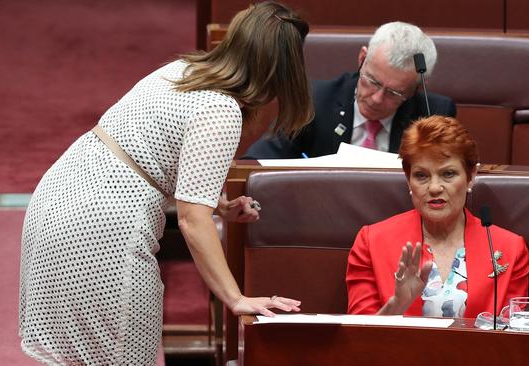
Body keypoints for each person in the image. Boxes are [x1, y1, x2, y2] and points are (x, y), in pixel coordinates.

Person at [18, 2, 312, 365]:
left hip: (57, 200)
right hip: (102, 230)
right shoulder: (221, 110)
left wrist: (219, 205)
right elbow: (191, 219)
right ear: (284, 73)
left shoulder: (184, 70)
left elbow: (158, 155)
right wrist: (236, 298)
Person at [346, 116, 529, 317]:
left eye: (448, 174)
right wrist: (398, 304)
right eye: (421, 176)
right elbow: (359, 339)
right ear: (408, 180)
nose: (434, 187)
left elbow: (514, 339)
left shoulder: (509, 248)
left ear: (471, 175)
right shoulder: (371, 243)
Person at [242, 21, 456, 159]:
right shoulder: (314, 100)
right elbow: (258, 162)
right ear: (362, 59)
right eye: (372, 81)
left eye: (394, 93)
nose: (377, 98)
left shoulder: (432, 113)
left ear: (416, 89)